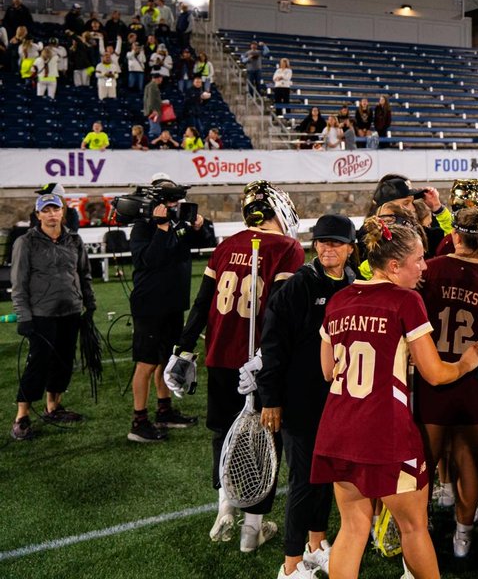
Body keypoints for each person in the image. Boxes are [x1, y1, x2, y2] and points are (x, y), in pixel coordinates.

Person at [312, 216, 478, 579]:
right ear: (394, 266)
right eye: (418, 260)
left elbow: (328, 371)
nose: (424, 267)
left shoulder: (339, 299)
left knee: (352, 528)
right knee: (414, 527)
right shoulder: (406, 301)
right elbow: (436, 374)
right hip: (384, 431)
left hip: (337, 428)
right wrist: (467, 363)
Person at [167, 181, 305, 552]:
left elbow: (201, 304)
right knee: (263, 441)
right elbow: (278, 311)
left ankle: (223, 511)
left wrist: (182, 350)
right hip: (261, 363)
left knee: (223, 435)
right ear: (279, 210)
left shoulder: (226, 246)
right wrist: (266, 356)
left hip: (220, 357)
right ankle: (251, 530)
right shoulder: (288, 248)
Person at [254, 214, 359, 578]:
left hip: (337, 400)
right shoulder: (298, 286)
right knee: (303, 480)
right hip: (299, 399)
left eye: (336, 243)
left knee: (326, 475)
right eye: (323, 242)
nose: (328, 249)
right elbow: (272, 345)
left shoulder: (352, 281)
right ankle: (291, 564)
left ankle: (316, 545)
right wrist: (270, 398)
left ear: (350, 247)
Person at [415, 207, 478, 560]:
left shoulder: (429, 270)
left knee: (426, 460)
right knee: (467, 457)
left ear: (456, 237)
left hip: (434, 373)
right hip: (472, 376)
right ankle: (463, 535)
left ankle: (419, 526)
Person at [127, 176, 209, 443]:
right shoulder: (142, 226)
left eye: (176, 199)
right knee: (147, 363)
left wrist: (200, 227)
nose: (175, 204)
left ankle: (165, 411)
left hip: (173, 303)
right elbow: (148, 260)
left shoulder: (178, 221)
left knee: (167, 360)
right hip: (150, 305)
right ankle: (138, 422)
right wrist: (161, 228)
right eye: (170, 200)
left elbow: (204, 243)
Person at [10, 193, 96, 440]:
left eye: (54, 209)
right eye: (45, 210)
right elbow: (19, 284)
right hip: (41, 315)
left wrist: (89, 304)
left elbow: (84, 274)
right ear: (38, 215)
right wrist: (23, 316)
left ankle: (53, 407)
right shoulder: (26, 242)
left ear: (63, 212)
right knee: (37, 365)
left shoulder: (74, 240)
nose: (51, 214)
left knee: (64, 362)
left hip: (70, 312)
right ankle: (21, 417)